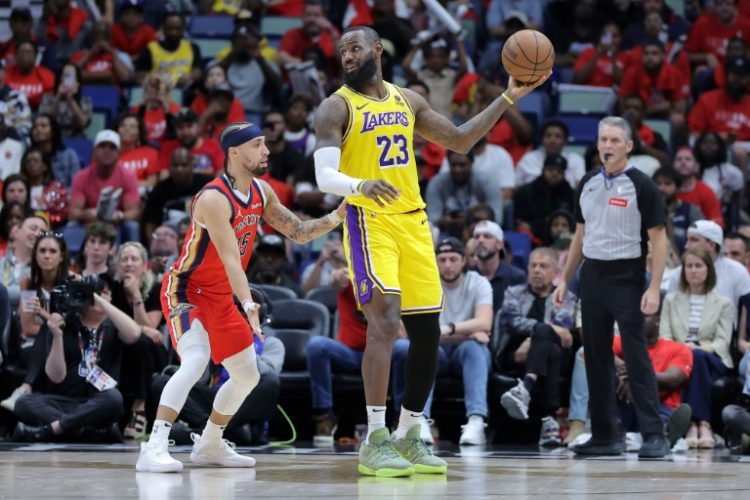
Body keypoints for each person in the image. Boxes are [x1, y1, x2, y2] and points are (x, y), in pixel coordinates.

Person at [312, 25, 548, 476]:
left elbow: (460, 140)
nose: (347, 55)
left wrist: (508, 97)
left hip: (414, 222)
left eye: (355, 46)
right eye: (342, 49)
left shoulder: (408, 100)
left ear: (378, 50)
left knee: (426, 334)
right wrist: (360, 185)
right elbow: (325, 178)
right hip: (368, 219)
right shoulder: (335, 106)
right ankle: (374, 438)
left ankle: (408, 434)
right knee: (383, 321)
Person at [136, 121, 348, 472]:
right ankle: (154, 445)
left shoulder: (262, 192)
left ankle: (210, 443)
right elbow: (230, 257)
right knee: (196, 360)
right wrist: (248, 303)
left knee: (249, 375)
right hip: (187, 290)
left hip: (221, 295)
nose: (266, 151)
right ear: (234, 152)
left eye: (265, 144)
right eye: (257, 145)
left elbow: (298, 231)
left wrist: (336, 215)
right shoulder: (213, 198)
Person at [553, 116, 670, 458]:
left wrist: (654, 288)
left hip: (628, 276)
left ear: (629, 146)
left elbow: (658, 240)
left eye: (615, 140)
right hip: (592, 276)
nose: (607, 146)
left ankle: (654, 435)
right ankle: (606, 436)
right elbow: (579, 235)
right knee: (596, 357)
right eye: (604, 139)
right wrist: (564, 279)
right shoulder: (587, 182)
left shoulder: (642, 185)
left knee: (636, 356)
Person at [11, 274, 142, 443]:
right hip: (64, 402)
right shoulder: (64, 325)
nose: (98, 297)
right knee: (24, 403)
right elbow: (56, 377)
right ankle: (89, 432)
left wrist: (98, 299)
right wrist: (57, 337)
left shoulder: (114, 327)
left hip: (98, 402)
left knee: (114, 398)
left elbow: (135, 334)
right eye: (93, 293)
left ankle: (53, 430)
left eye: (104, 293)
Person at [391, 237, 494, 445]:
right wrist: (466, 330)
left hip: (463, 351)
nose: (447, 265)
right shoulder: (425, 282)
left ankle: (476, 420)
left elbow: (485, 322)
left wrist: (447, 329)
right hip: (435, 349)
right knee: (424, 348)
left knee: (475, 347)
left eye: (453, 259)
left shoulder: (478, 282)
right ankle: (419, 419)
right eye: (443, 259)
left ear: (464, 260)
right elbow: (406, 329)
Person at [498, 247, 576, 447]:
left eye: (544, 266)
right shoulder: (514, 293)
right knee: (549, 343)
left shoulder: (565, 296)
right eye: (533, 265)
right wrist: (541, 330)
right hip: (516, 352)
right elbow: (511, 322)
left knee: (552, 350)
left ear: (555, 272)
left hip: (547, 354)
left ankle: (526, 386)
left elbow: (565, 329)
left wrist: (534, 341)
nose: (537, 270)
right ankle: (549, 421)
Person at [661, 246, 734, 448]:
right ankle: (702, 424)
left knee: (699, 356)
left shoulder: (723, 303)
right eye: (689, 266)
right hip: (678, 355)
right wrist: (684, 349)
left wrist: (698, 347)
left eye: (698, 266)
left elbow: (722, 341)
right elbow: (664, 336)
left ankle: (694, 422)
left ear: (708, 269)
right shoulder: (670, 300)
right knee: (693, 358)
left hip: (712, 358)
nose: (693, 270)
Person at [67, 130, 141, 244]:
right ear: (94, 151)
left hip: (117, 225)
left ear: (119, 152)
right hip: (89, 225)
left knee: (133, 226)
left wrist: (120, 216)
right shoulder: (81, 176)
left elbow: (134, 212)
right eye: (102, 146)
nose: (107, 151)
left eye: (112, 147)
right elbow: (73, 213)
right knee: (71, 227)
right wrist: (86, 214)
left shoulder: (128, 176)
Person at [667, 220, 750, 309]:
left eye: (693, 240)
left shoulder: (737, 271)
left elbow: (747, 309)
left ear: (711, 245)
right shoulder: (678, 273)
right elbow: (671, 310)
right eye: (688, 239)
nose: (686, 246)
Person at [425, 150, 505, 238]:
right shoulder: (437, 183)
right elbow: (432, 219)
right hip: (446, 232)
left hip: (480, 233)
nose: (457, 169)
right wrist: (446, 221)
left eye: (462, 165)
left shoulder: (488, 182)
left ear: (472, 163)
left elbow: (497, 219)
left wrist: (473, 221)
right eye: (453, 165)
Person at [142, 148, 212, 244]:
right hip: (170, 241)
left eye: (184, 165)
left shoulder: (208, 184)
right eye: (176, 165)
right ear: (169, 167)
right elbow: (150, 223)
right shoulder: (159, 190)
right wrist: (153, 244)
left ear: (192, 165)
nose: (180, 169)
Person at [512, 154, 576, 243]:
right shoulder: (525, 192)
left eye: (559, 171)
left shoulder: (571, 194)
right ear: (543, 170)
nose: (554, 173)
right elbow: (520, 221)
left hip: (563, 239)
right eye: (551, 169)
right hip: (532, 238)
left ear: (564, 174)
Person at [135, 12, 202, 89]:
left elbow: (198, 71)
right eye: (170, 28)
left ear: (183, 29)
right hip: (158, 91)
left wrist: (190, 77)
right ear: (163, 28)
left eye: (178, 29)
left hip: (185, 91)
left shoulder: (193, 47)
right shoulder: (150, 49)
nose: (174, 32)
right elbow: (139, 76)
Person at [515, 120, 586, 190]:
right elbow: (516, 186)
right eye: (548, 136)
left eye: (557, 136)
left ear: (565, 141)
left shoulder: (576, 160)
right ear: (542, 139)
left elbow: (580, 187)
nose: (552, 140)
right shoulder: (529, 159)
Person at [652, 167, 704, 254]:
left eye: (667, 184)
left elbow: (700, 240)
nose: (662, 188)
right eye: (658, 184)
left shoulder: (691, 210)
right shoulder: (646, 211)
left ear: (678, 188)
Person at [159, 110, 224, 177]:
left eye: (189, 126)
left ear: (198, 127)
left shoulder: (213, 146)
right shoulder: (168, 147)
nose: (185, 132)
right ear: (175, 130)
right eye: (180, 127)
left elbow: (221, 173)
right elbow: (164, 176)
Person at [38, 63, 93, 138]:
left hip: (76, 138)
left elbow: (83, 123)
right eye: (65, 75)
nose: (67, 79)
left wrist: (70, 99)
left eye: (71, 76)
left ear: (77, 80)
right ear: (60, 78)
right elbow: (47, 119)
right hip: (52, 137)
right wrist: (58, 96)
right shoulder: (47, 97)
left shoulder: (85, 100)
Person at [672, 147, 723, 227]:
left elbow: (716, 224)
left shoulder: (706, 192)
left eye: (688, 159)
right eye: (679, 159)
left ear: (697, 167)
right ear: (673, 166)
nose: (683, 162)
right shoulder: (665, 190)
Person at [19, 147, 69, 228]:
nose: (31, 164)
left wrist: (45, 208)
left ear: (44, 166)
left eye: (35, 161)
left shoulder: (56, 187)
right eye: (28, 162)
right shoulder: (19, 188)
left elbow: (62, 214)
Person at [30, 114, 80, 189]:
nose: (38, 129)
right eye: (35, 126)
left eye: (43, 126)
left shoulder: (69, 155)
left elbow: (76, 186)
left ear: (53, 131)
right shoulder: (29, 156)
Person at [246, 234, 304, 298]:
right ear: (257, 256)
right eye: (265, 254)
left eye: (275, 255)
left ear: (284, 259)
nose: (269, 259)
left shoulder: (295, 293)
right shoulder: (241, 286)